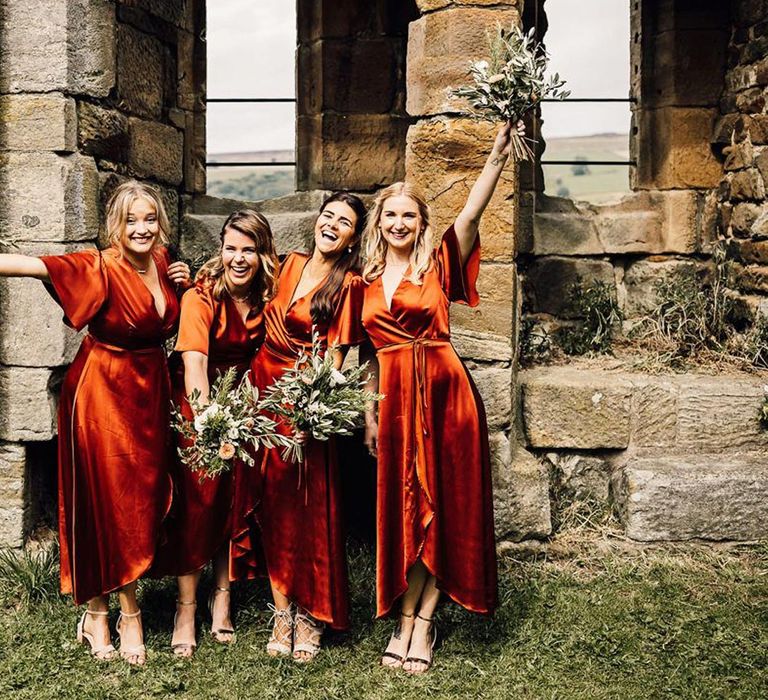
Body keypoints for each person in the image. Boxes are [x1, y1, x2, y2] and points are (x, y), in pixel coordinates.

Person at [0, 181, 191, 665]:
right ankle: (125, 615)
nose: (142, 229)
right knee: (111, 503)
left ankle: (94, 612)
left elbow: (169, 314)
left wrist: (184, 284)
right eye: (132, 221)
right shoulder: (99, 265)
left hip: (148, 393)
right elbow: (31, 266)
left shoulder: (166, 263)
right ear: (116, 225)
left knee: (137, 501)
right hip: (101, 391)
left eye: (149, 218)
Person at [359, 121, 524, 673]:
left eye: (410, 214)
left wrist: (496, 158)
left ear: (422, 223)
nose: (400, 222)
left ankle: (420, 622)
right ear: (379, 224)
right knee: (406, 508)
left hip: (447, 393)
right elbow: (365, 359)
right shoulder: (364, 282)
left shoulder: (438, 264)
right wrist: (368, 417)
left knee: (442, 505)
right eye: (391, 214)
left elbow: (473, 214)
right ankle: (406, 616)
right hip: (393, 400)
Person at [241, 191, 366, 662]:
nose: (333, 225)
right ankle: (280, 610)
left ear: (353, 238)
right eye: (328, 216)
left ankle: (311, 611)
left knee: (307, 507)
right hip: (260, 391)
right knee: (272, 503)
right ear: (317, 220)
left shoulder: (348, 285)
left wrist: (312, 412)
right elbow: (236, 277)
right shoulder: (287, 265)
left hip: (302, 402)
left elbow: (335, 359)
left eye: (345, 222)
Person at [151, 210, 279, 657]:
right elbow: (195, 363)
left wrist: (245, 414)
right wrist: (210, 424)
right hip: (197, 402)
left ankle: (220, 596)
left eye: (249, 249)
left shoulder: (268, 298)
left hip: (242, 401)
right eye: (231, 248)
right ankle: (185, 608)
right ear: (220, 249)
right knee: (197, 503)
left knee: (232, 498)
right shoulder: (201, 296)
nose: (238, 258)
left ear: (263, 253)